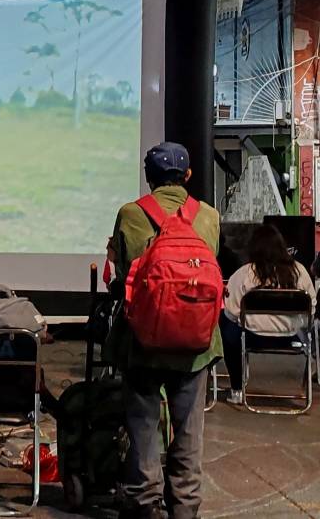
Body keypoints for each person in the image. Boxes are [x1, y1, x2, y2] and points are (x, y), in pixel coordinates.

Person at [106, 142, 221, 519]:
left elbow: (124, 274)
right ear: (187, 176)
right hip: (196, 343)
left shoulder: (130, 214)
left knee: (143, 425)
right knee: (189, 429)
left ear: (148, 177)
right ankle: (185, 506)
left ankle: (144, 501)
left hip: (144, 340)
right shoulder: (208, 216)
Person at [220, 224, 317, 404]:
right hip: (290, 337)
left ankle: (237, 388)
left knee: (224, 323)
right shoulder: (299, 272)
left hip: (252, 336)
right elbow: (311, 309)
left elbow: (231, 311)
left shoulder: (244, 274)